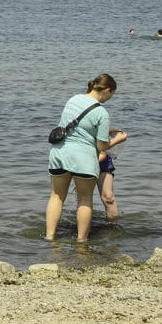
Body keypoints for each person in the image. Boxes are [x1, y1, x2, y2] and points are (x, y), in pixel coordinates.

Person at [46, 74, 117, 241]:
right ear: (107, 91)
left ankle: (49, 237)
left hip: (60, 154)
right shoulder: (101, 112)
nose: (110, 98)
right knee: (85, 200)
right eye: (112, 94)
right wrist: (117, 140)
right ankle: (81, 240)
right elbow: (101, 147)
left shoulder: (73, 99)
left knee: (56, 196)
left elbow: (75, 129)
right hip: (83, 159)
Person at [97, 125, 128, 221]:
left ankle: (113, 227)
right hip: (82, 157)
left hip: (101, 157)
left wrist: (106, 133)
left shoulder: (100, 112)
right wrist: (117, 140)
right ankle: (84, 231)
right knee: (84, 200)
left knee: (108, 198)